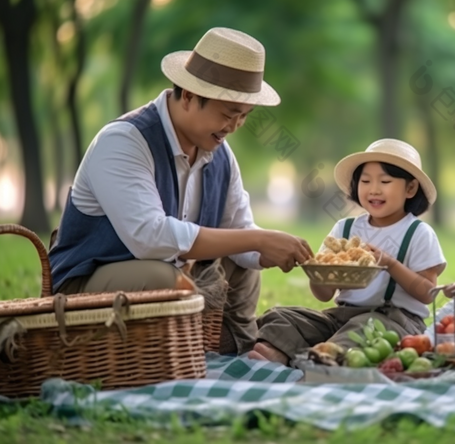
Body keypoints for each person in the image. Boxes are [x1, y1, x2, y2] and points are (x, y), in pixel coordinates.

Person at [48, 27, 313, 355]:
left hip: (176, 273)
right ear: (188, 95)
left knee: (243, 267)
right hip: (88, 281)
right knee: (162, 277)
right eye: (229, 114)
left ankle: (232, 348)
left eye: (245, 117)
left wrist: (272, 249)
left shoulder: (221, 155)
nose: (235, 127)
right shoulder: (124, 141)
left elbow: (238, 229)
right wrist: (257, 240)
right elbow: (150, 237)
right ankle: (168, 352)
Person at [249, 139, 447, 364]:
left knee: (364, 327)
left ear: (410, 188)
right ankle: (290, 351)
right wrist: (319, 272)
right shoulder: (345, 228)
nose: (374, 189)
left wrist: (390, 264)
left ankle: (322, 358)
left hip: (395, 320)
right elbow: (323, 295)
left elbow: (428, 293)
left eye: (385, 181)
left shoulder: (418, 233)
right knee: (283, 316)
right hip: (342, 315)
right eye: (365, 181)